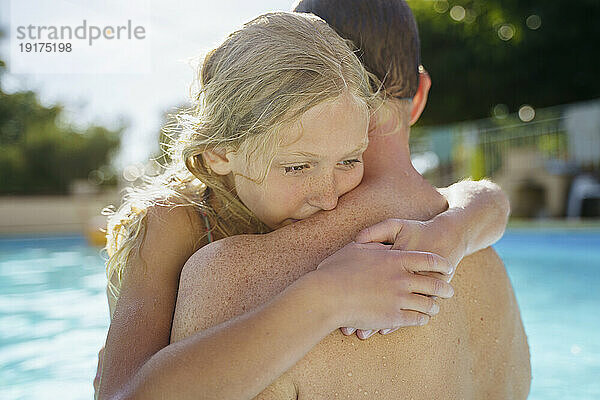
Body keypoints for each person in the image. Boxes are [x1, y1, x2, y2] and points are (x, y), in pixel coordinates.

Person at [95, 11, 517, 400]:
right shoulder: (175, 219)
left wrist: (452, 230)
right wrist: (326, 296)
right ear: (219, 154)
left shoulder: (315, 175)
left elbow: (489, 201)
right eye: (297, 167)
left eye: (350, 160)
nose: (329, 197)